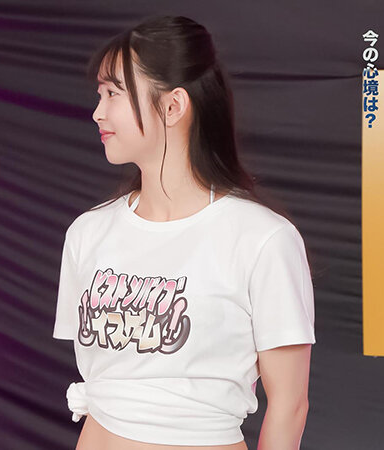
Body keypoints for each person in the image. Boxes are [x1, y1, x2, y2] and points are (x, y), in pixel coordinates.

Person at [53, 16, 314, 450]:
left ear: (173, 106)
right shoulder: (89, 232)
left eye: (114, 93)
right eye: (100, 94)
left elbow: (290, 405)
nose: (98, 111)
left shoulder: (263, 239)